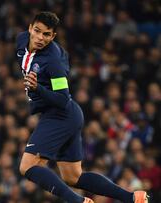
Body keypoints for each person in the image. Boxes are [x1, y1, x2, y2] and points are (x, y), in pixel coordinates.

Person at [17, 11, 148, 203]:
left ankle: (78, 202)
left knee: (27, 167)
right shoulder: (21, 42)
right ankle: (132, 197)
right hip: (67, 116)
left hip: (60, 115)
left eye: (46, 34)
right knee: (73, 176)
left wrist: (38, 88)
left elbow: (62, 99)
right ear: (30, 28)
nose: (39, 37)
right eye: (37, 31)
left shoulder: (53, 62)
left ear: (53, 36)